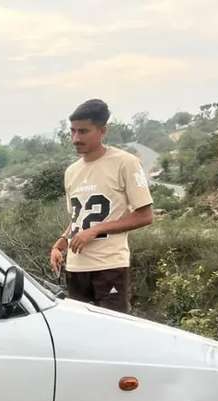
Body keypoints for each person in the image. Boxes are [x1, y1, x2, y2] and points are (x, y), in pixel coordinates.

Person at [49, 99, 153, 313]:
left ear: (103, 130)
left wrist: (96, 230)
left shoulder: (125, 162)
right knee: (81, 330)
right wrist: (61, 244)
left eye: (83, 131)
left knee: (112, 329)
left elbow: (144, 215)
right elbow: (78, 219)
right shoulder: (71, 171)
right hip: (76, 268)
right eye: (73, 131)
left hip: (109, 267)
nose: (76, 139)